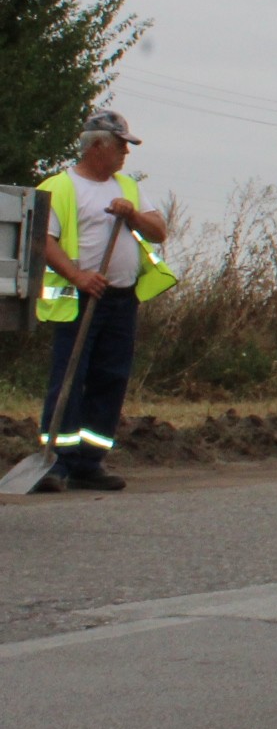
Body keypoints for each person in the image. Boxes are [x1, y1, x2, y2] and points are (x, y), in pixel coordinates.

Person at [32, 111, 176, 492]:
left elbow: (159, 230)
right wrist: (77, 275)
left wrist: (132, 215)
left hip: (120, 299)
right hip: (80, 298)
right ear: (96, 146)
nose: (125, 154)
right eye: (120, 146)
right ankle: (57, 462)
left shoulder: (127, 187)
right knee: (69, 377)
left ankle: (89, 462)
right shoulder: (59, 187)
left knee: (110, 378)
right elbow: (44, 241)